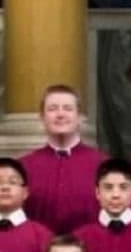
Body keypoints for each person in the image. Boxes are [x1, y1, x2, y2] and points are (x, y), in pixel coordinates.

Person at [20, 84, 107, 233]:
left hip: (89, 251)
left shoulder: (103, 165)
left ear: (79, 116)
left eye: (68, 108)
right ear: (42, 116)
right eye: (53, 109)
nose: (60, 114)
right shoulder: (24, 167)